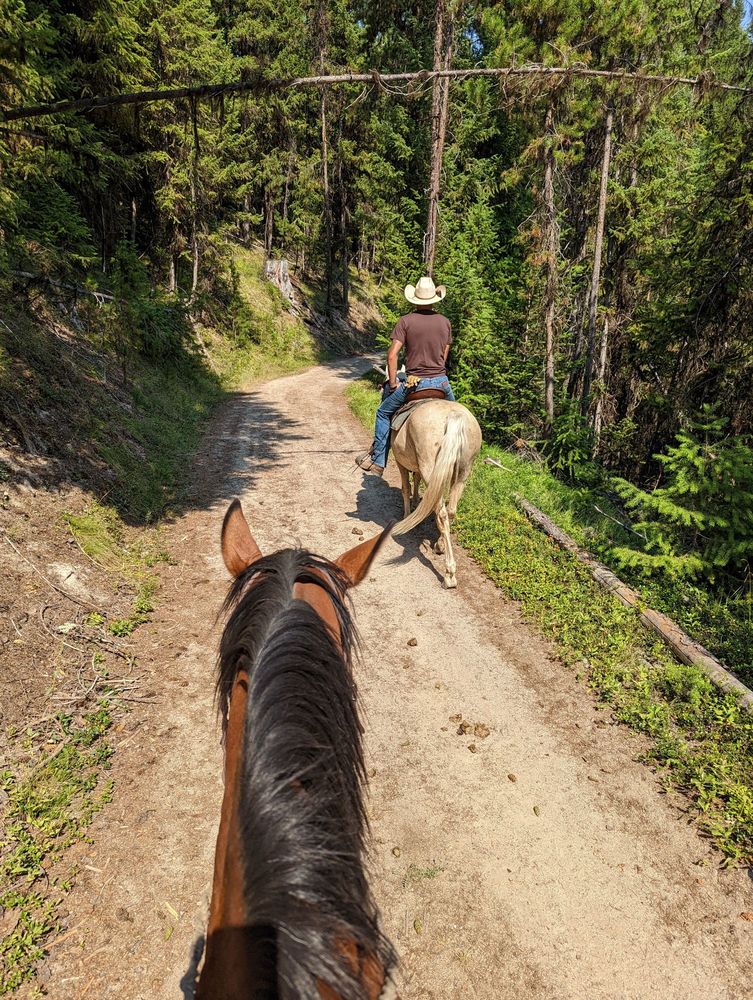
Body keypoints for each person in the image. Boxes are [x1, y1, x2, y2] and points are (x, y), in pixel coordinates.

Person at [356, 276, 455, 476]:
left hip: (415, 383)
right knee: (458, 415)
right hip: (442, 383)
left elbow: (392, 356)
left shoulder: (405, 322)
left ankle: (378, 462)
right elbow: (444, 357)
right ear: (435, 299)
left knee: (383, 413)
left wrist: (392, 383)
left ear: (415, 300)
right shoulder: (445, 322)